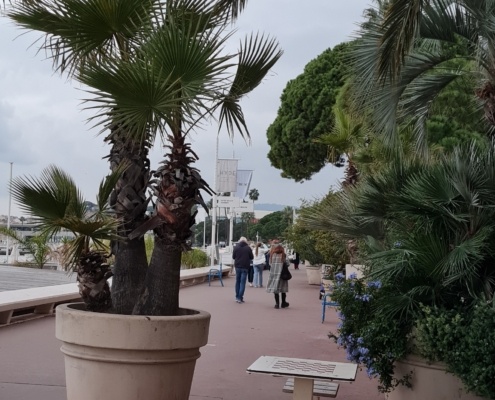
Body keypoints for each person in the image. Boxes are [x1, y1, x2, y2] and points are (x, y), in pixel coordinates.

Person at [266, 244, 289, 309]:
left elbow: (270, 264)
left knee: (276, 289)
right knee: (283, 289)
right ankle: (283, 303)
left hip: (274, 274)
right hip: (282, 274)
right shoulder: (283, 255)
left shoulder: (272, 255)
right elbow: (288, 263)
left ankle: (277, 304)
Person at [232, 237, 253, 303]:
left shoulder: (236, 247)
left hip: (237, 266)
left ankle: (237, 296)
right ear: (246, 241)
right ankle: (240, 297)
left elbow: (233, 257)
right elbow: (252, 257)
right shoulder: (248, 248)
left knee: (237, 281)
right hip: (245, 267)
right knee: (242, 283)